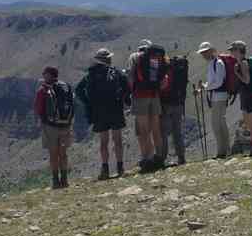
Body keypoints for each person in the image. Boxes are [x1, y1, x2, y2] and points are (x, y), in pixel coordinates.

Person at [76, 48, 129, 180]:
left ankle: (105, 169)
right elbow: (127, 87)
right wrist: (122, 99)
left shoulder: (91, 74)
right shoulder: (115, 72)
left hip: (99, 111)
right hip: (115, 108)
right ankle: (120, 168)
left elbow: (78, 90)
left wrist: (88, 103)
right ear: (108, 59)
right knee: (117, 140)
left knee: (103, 142)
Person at [127, 40, 167, 171]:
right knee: (156, 128)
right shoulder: (158, 58)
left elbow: (131, 78)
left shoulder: (135, 57)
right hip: (154, 96)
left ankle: (148, 159)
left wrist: (132, 92)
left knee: (144, 130)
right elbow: (164, 81)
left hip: (140, 96)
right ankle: (160, 158)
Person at [33, 66, 75, 189]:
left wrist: (41, 120)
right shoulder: (66, 87)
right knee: (63, 153)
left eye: (44, 73)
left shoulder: (43, 90)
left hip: (50, 126)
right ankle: (65, 180)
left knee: (53, 154)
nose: (42, 75)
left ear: (49, 75)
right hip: (65, 125)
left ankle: (55, 181)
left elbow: (37, 108)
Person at [228, 40, 252, 156]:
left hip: (248, 96)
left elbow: (247, 80)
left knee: (251, 123)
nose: (232, 53)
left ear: (239, 51)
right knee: (249, 123)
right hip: (245, 96)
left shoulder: (243, 63)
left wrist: (236, 73)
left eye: (233, 50)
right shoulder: (240, 63)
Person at [198, 41, 233, 159]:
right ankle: (224, 150)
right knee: (219, 123)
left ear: (211, 51)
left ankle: (222, 151)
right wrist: (203, 88)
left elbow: (219, 82)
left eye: (205, 52)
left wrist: (206, 87)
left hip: (219, 96)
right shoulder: (212, 63)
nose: (203, 55)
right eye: (202, 53)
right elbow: (214, 81)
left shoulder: (218, 63)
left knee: (217, 124)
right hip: (216, 97)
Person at [159, 55, 189, 165]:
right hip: (179, 103)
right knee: (177, 131)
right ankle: (181, 157)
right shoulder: (181, 68)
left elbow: (164, 85)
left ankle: (162, 158)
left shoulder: (166, 69)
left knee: (163, 132)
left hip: (166, 104)